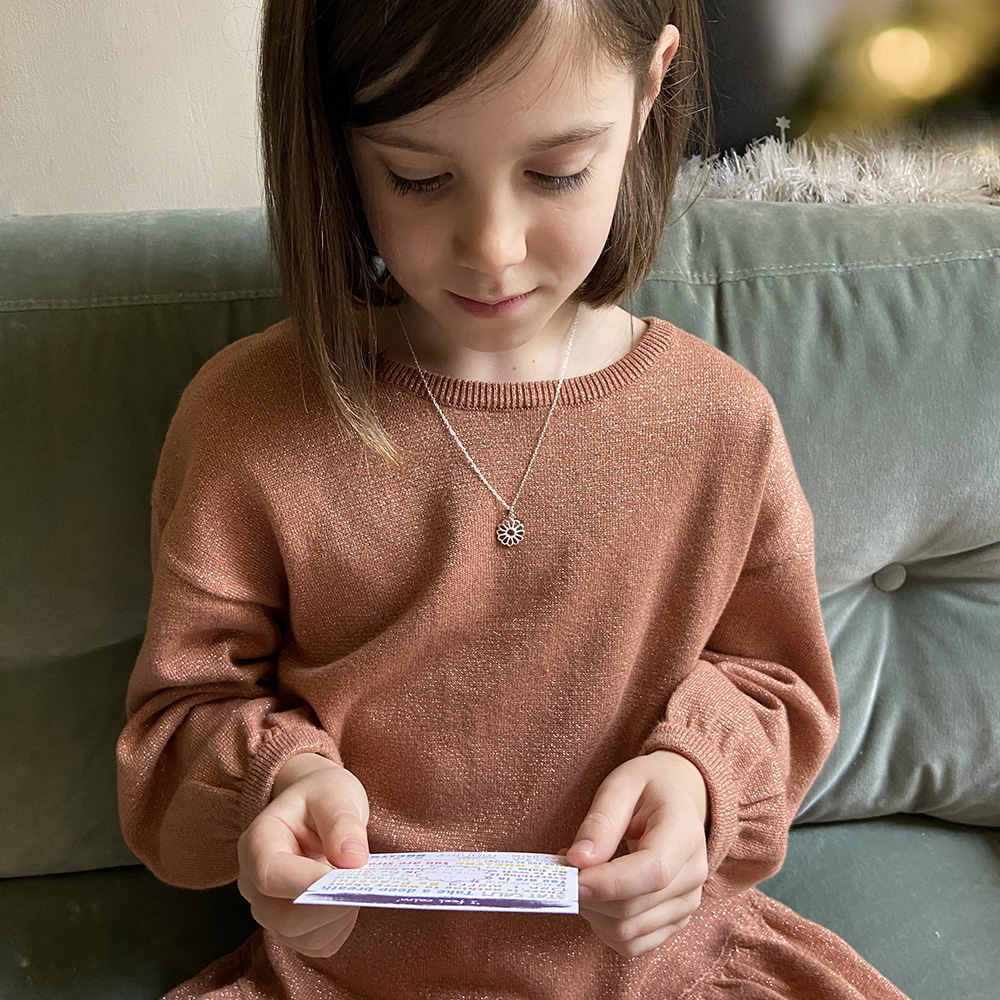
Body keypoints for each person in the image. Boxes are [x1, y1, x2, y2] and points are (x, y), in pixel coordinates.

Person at [116, 1, 910, 997]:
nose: (491, 249)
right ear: (331, 132)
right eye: (418, 176)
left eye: (555, 171)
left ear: (649, 85)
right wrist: (277, 786)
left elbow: (776, 682)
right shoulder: (248, 419)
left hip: (670, 973)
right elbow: (182, 721)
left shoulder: (720, 422)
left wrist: (696, 781)